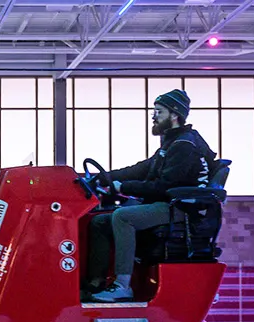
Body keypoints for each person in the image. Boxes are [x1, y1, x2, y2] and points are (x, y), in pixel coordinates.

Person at [86, 89, 217, 303]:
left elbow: (163, 186)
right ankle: (95, 283)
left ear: (175, 115)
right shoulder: (172, 143)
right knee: (100, 221)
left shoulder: (184, 145)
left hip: (179, 207)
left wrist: (123, 187)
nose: (153, 116)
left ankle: (122, 286)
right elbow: (141, 169)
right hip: (167, 202)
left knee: (122, 217)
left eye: (159, 111)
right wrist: (103, 177)